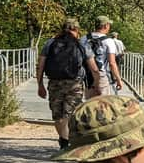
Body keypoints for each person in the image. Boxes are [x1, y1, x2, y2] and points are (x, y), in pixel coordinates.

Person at [36, 18, 102, 149]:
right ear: (76, 30)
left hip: (55, 83)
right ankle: (66, 141)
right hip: (75, 84)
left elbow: (40, 65)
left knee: (57, 114)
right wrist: (96, 84)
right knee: (71, 113)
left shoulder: (50, 43)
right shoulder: (82, 44)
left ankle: (63, 140)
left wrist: (40, 85)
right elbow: (94, 68)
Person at [81, 16, 123, 97]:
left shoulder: (84, 39)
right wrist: (118, 80)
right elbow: (112, 63)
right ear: (106, 26)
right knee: (103, 106)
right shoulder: (109, 41)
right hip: (101, 76)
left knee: (90, 105)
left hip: (87, 77)